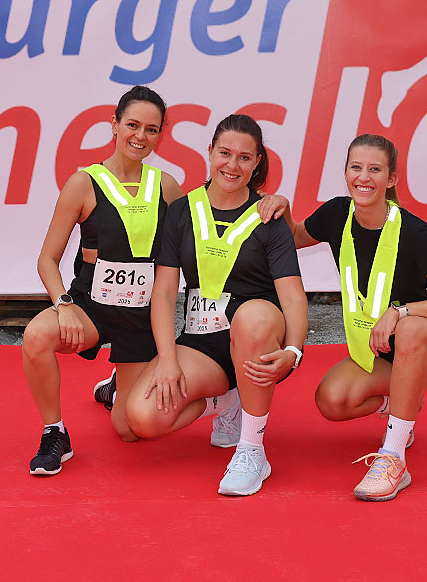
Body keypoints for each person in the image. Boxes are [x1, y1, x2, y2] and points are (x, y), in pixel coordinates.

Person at [263, 133, 427, 501]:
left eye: (375, 169)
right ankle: (403, 403)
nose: (364, 177)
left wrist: (399, 312)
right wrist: (283, 204)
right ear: (345, 172)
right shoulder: (335, 214)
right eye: (356, 167)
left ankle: (394, 456)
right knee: (332, 401)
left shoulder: (413, 230)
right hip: (382, 353)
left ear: (391, 179)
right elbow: (292, 236)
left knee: (409, 330)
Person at [125, 114, 308, 496]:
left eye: (244, 157)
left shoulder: (268, 216)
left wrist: (293, 350)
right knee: (142, 418)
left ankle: (252, 450)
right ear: (209, 152)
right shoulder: (181, 211)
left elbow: (292, 296)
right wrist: (168, 359)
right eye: (225, 153)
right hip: (203, 340)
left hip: (259, 335)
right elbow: (164, 293)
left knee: (252, 317)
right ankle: (227, 402)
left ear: (257, 162)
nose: (232, 165)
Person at [22, 86, 182, 475]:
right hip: (90, 308)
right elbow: (47, 259)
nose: (140, 136)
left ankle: (116, 387)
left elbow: (196, 241)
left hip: (141, 317)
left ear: (160, 134)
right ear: (114, 125)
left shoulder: (166, 186)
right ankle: (55, 432)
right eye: (132, 125)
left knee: (129, 429)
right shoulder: (83, 183)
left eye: (151, 129)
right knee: (36, 336)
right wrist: (63, 305)